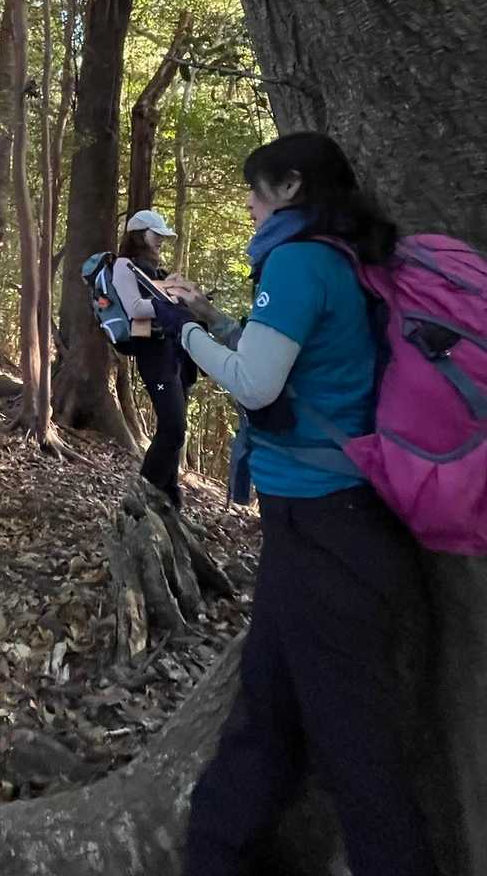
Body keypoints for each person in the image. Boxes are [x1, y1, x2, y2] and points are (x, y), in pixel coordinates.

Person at [159, 132, 438, 876]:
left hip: (327, 527)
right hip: (320, 521)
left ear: (289, 186)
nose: (250, 206)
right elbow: (290, 362)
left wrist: (185, 333)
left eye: (256, 190)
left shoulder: (297, 260)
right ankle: (218, 849)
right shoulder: (338, 256)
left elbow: (256, 385)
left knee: (353, 743)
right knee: (269, 705)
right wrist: (214, 319)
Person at [113, 209, 194, 508]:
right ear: (139, 234)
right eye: (155, 234)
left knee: (177, 427)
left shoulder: (153, 270)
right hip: (154, 356)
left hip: (174, 354)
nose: (160, 240)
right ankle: (145, 490)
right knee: (173, 426)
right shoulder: (124, 265)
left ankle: (168, 491)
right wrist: (171, 305)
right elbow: (135, 308)